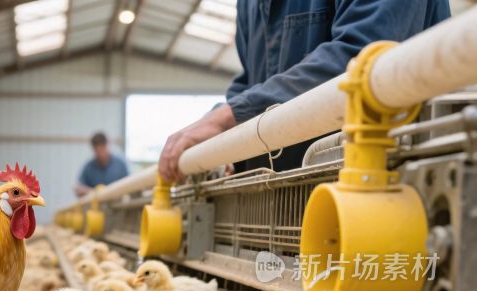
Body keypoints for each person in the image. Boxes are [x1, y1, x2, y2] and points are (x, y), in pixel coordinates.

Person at [158, 0, 450, 182]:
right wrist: (218, 141)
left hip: (387, 181)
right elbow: (251, 81)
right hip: (287, 203)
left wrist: (227, 118)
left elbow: (364, 56)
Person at [74, 132, 130, 197]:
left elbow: (129, 184)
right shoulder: (89, 167)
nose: (101, 155)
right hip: (96, 202)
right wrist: (95, 192)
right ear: (93, 149)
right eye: (98, 151)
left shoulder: (120, 165)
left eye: (103, 150)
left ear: (108, 145)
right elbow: (78, 188)